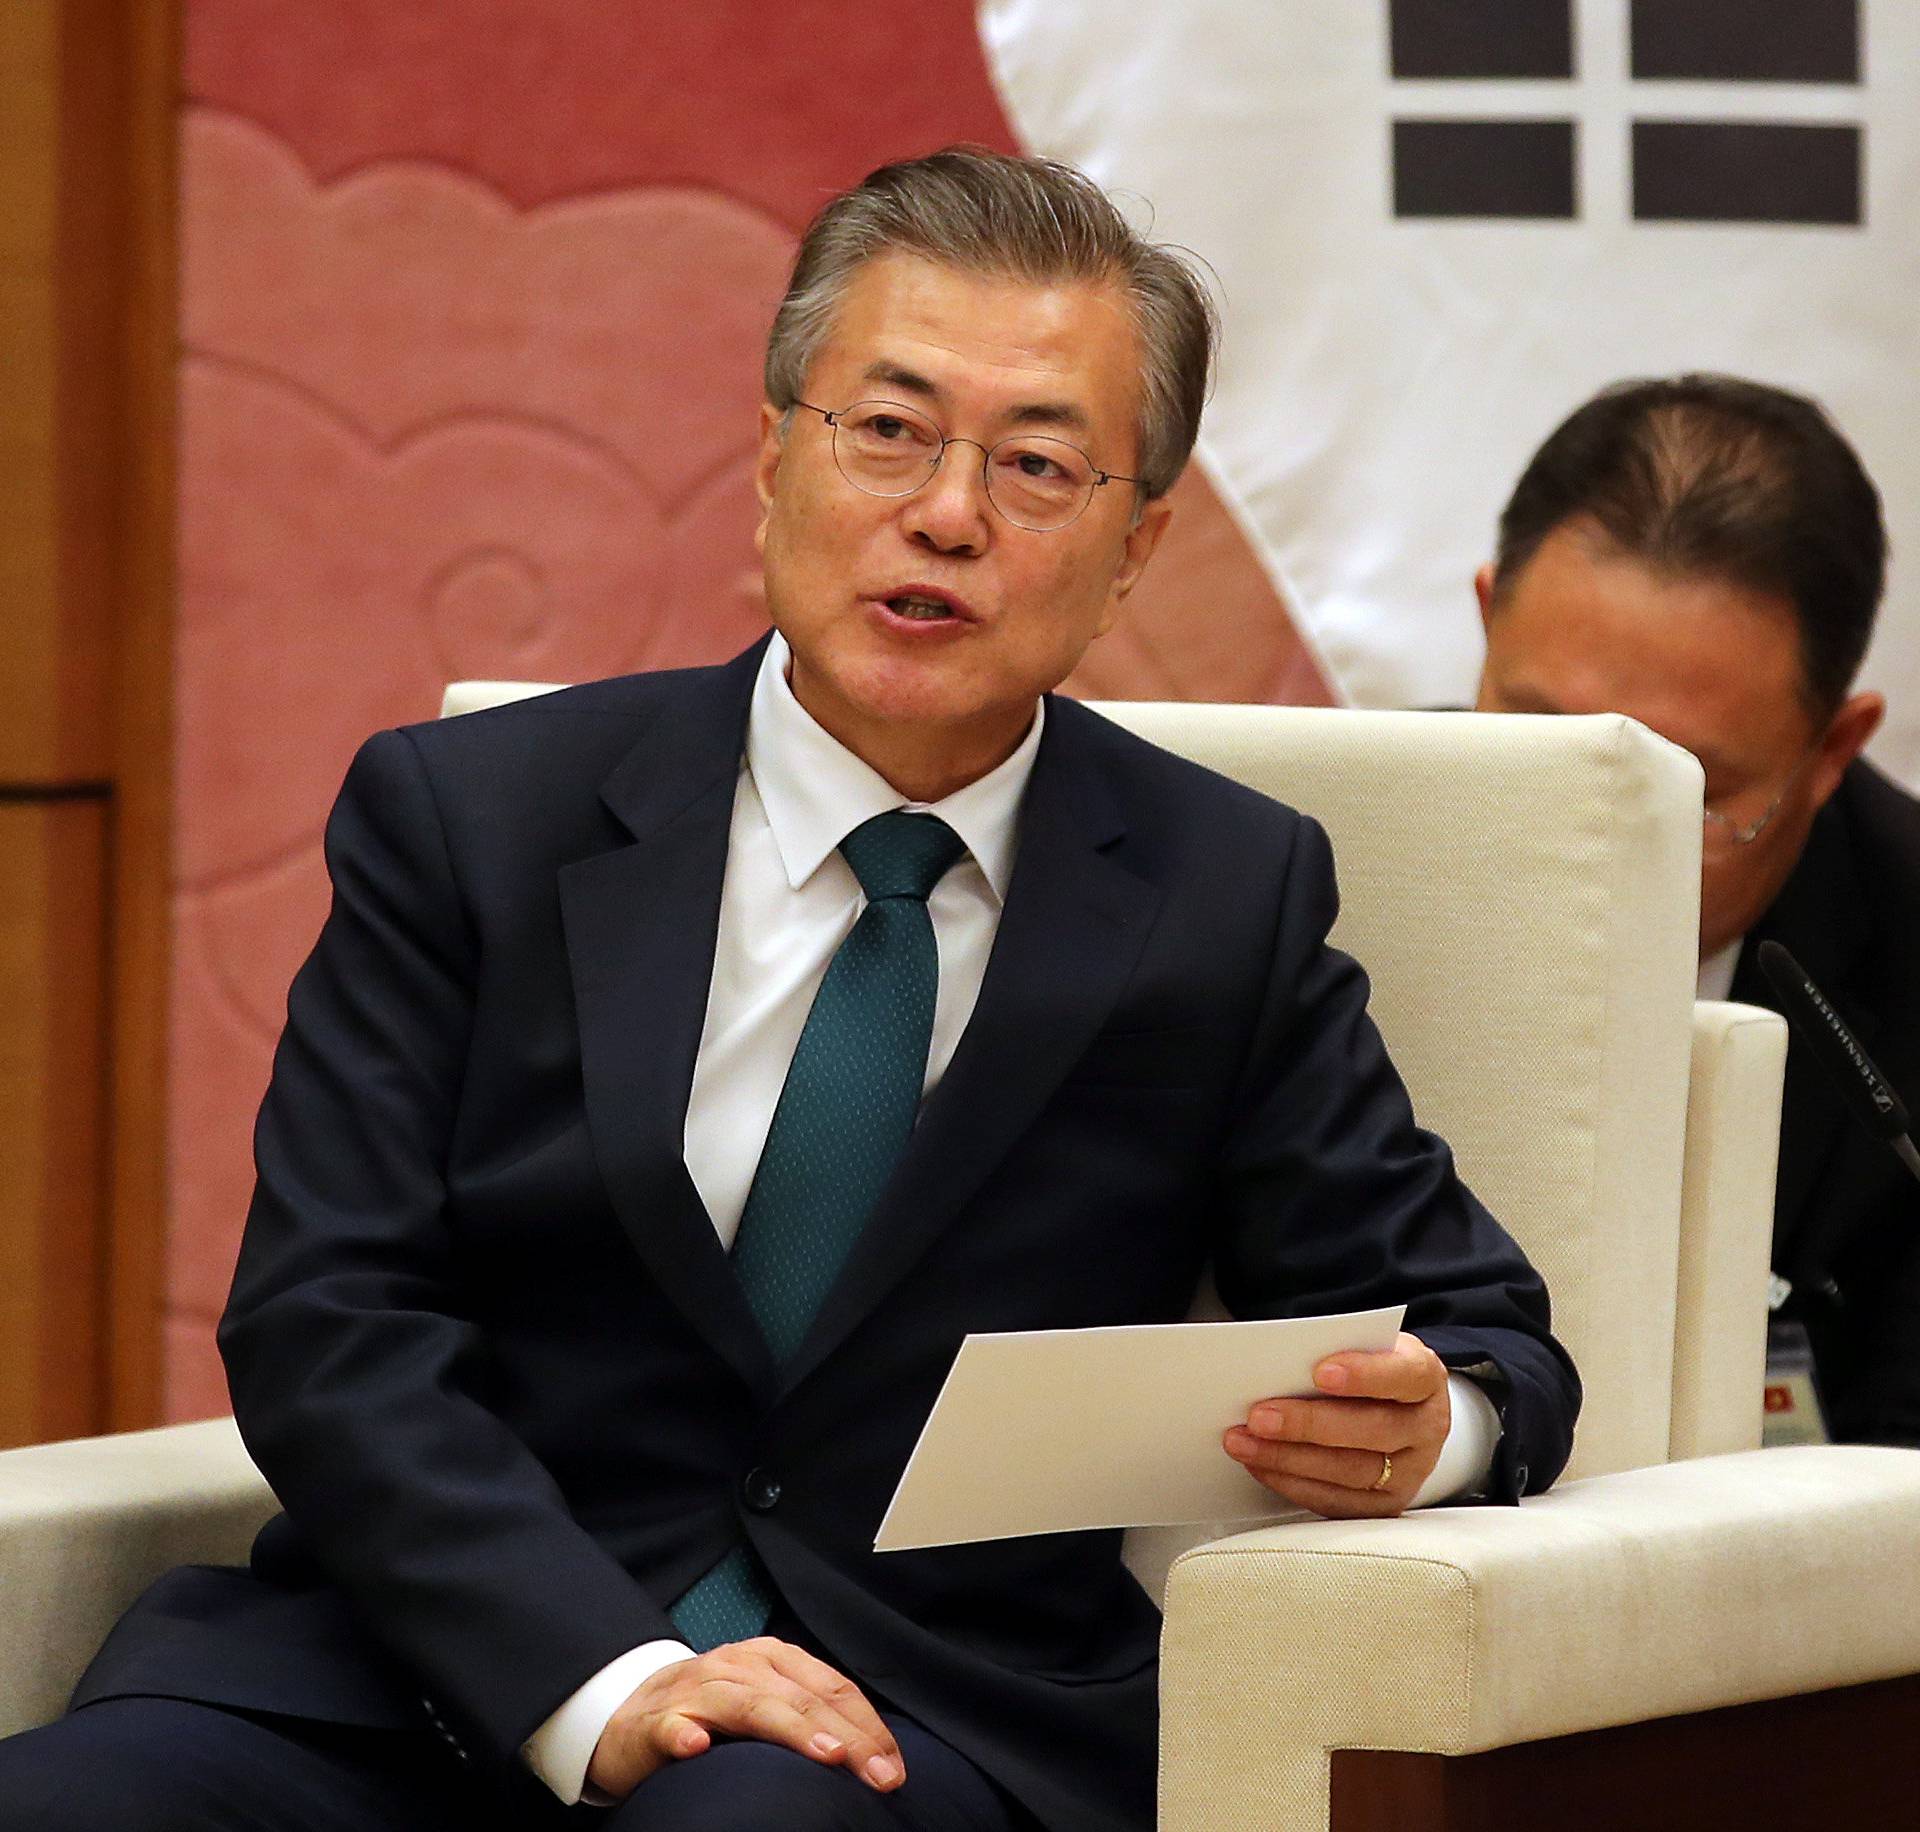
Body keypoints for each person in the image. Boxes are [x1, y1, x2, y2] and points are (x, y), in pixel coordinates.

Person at [0, 149, 1577, 1832]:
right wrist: (606, 1682)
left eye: (1039, 463)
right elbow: (328, 1323)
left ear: (1136, 548)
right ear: (771, 456)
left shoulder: (1216, 895)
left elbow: (1481, 1329)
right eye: (887, 430)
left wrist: (1444, 1422)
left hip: (902, 1716)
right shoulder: (471, 820)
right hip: (430, 1673)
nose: (949, 513)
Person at [1474, 373, 1920, 1448]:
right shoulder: (1305, 870)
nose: (1588, 823)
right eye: (1539, 734)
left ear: (1831, 751)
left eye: (1684, 784)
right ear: (1486, 619)